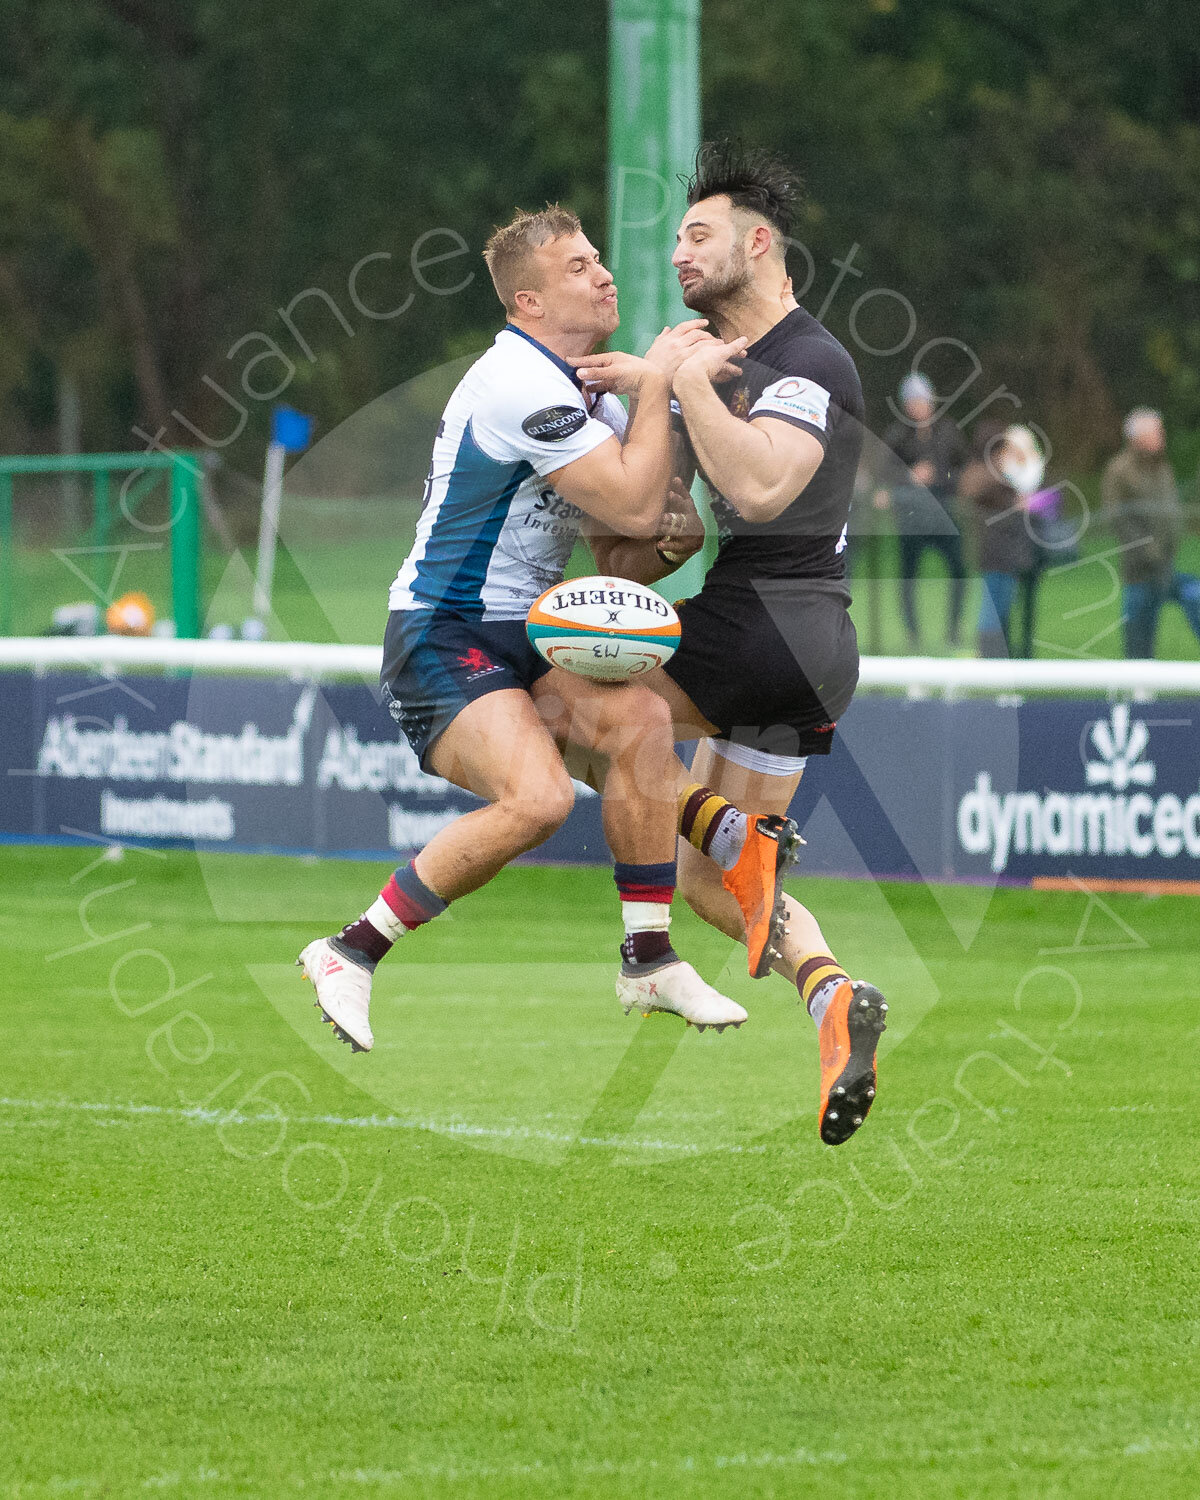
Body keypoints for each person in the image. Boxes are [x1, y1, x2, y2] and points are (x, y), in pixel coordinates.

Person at [297, 205, 777, 1050]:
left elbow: (621, 554)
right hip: (442, 631)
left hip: (526, 630)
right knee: (541, 799)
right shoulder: (518, 383)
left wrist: (672, 541)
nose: (605, 274)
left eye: (599, 259)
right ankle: (351, 949)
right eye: (578, 268)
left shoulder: (587, 392)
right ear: (529, 302)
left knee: (641, 720)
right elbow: (631, 501)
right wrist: (658, 387)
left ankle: (649, 959)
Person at [576, 142, 889, 1147]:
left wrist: (678, 381)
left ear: (758, 245)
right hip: (806, 651)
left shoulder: (810, 359)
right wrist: (640, 391)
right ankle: (833, 998)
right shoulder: (721, 359)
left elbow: (758, 486)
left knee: (553, 713)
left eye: (698, 234)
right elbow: (655, 514)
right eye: (675, 237)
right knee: (716, 886)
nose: (678, 252)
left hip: (763, 624)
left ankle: (725, 829)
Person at [873, 373, 968, 651]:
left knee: (959, 570)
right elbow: (883, 473)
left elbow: (964, 471)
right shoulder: (897, 435)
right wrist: (909, 477)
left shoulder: (948, 432)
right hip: (911, 517)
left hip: (943, 513)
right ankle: (912, 634)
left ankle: (953, 631)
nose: (918, 406)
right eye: (912, 401)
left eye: (922, 400)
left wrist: (938, 476)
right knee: (908, 575)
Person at [1101, 408, 1200, 658]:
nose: (1162, 435)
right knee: (1139, 637)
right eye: (1157, 431)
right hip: (1140, 571)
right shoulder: (1120, 471)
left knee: (1194, 596)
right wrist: (1150, 553)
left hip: (1166, 565)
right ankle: (1138, 678)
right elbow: (1120, 520)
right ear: (1138, 437)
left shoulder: (1162, 467)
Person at [960, 422, 1042, 658]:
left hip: (1004, 552)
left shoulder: (996, 473)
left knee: (999, 607)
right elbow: (979, 496)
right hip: (995, 552)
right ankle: (987, 655)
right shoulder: (987, 474)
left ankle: (993, 655)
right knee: (993, 609)